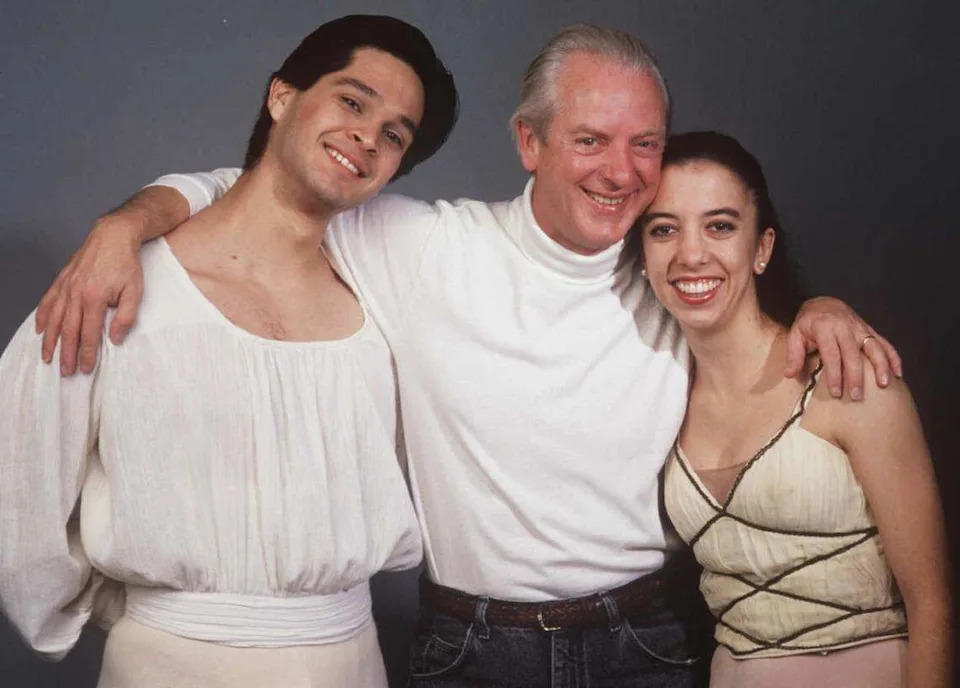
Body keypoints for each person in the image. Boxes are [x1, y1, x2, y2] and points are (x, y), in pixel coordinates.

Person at [31, 25, 901, 687]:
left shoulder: (671, 270)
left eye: (646, 144)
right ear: (529, 144)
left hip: (646, 635)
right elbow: (273, 185)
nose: (622, 171)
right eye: (590, 140)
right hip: (472, 648)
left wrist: (819, 307)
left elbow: (748, 293)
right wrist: (132, 219)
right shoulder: (419, 246)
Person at [0, 14, 457, 688]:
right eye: (352, 101)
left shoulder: (383, 296)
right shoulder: (117, 285)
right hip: (170, 662)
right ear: (282, 97)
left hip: (351, 660)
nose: (368, 135)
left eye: (394, 135)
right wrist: (155, 618)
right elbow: (18, 483)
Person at [635, 131, 953, 687]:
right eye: (664, 229)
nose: (690, 253)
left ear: (761, 248)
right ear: (642, 255)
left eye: (720, 226)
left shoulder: (849, 378)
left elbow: (933, 604)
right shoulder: (656, 396)